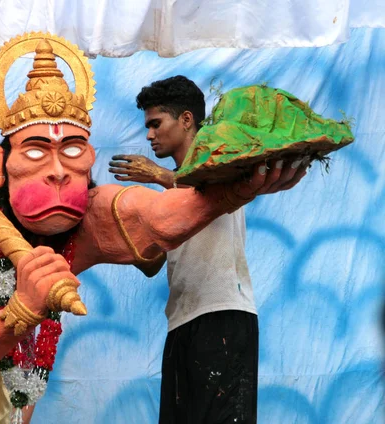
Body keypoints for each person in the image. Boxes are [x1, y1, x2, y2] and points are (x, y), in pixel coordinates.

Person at [0, 36, 306, 423]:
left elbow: (158, 218)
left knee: (19, 397)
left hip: (28, 300)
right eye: (34, 152)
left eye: (72, 149)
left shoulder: (91, 214)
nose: (57, 172)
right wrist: (22, 308)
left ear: (90, 160)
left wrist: (231, 194)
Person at [109, 75, 308, 423]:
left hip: (224, 316)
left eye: (156, 124)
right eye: (148, 127)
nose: (149, 135)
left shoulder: (226, 164)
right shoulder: (170, 193)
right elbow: (153, 262)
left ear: (187, 120)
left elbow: (206, 186)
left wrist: (158, 176)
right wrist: (123, 233)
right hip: (181, 322)